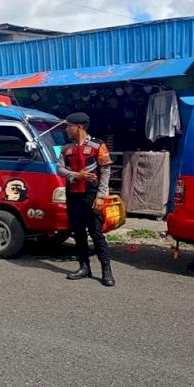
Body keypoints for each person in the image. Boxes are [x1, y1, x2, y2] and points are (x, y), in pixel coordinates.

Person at [57, 112, 116, 287]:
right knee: (78, 232)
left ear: (79, 126)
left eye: (69, 126)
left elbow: (105, 172)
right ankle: (84, 267)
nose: (66, 129)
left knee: (96, 233)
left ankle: (106, 270)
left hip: (92, 195)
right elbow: (60, 169)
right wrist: (77, 175)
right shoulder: (66, 148)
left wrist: (100, 197)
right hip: (73, 195)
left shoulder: (98, 145)